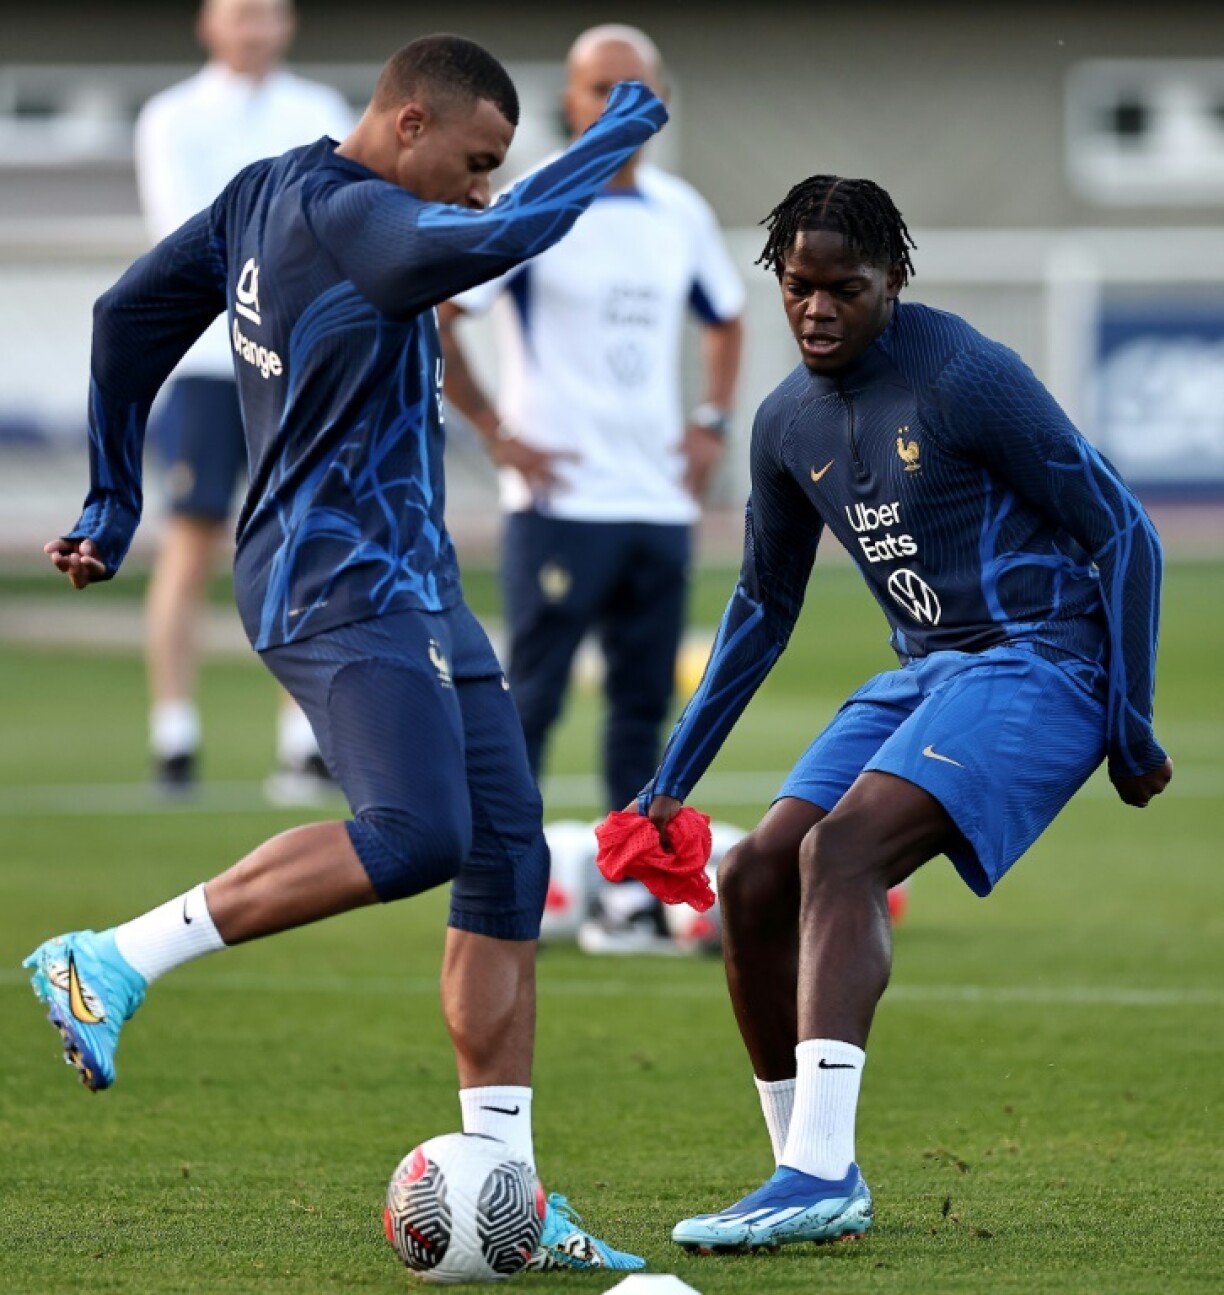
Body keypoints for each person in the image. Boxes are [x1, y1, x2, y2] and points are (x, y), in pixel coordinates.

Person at [26, 34, 668, 1272]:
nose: (482, 186)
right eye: (477, 160)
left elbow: (128, 314)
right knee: (418, 833)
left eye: (499, 169)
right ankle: (111, 954)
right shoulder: (363, 218)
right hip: (334, 579)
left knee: (505, 854)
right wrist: (611, 140)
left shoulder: (268, 185)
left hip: (411, 578)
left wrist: (116, 497)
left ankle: (511, 1189)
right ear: (412, 122)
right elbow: (494, 242)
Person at [635, 176, 1173, 1251]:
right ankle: (806, 1170)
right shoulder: (787, 420)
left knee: (841, 852)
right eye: (798, 287)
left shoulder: (967, 375)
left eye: (845, 288)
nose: (817, 311)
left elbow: (1124, 530)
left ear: (895, 283)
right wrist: (672, 775)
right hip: (924, 670)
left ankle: (816, 1171)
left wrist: (1132, 716)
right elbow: (762, 604)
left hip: (1041, 660)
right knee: (749, 878)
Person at [437, 24, 745, 955]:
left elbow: (726, 320)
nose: (616, 105)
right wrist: (498, 433)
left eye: (633, 89)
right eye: (598, 88)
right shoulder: (535, 205)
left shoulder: (679, 211)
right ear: (571, 103)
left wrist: (711, 424)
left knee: (646, 710)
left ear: (657, 101)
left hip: (656, 502)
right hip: (561, 506)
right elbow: (444, 314)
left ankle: (626, 896)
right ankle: (502, 888)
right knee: (528, 702)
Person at [136, 0, 353, 798]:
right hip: (204, 363)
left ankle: (304, 742)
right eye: (241, 13)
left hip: (298, 365)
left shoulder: (318, 110)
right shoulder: (171, 116)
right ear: (207, 23)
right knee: (190, 548)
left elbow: (335, 221)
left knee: (303, 542)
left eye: (268, 13)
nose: (255, 28)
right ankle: (175, 737)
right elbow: (190, 235)